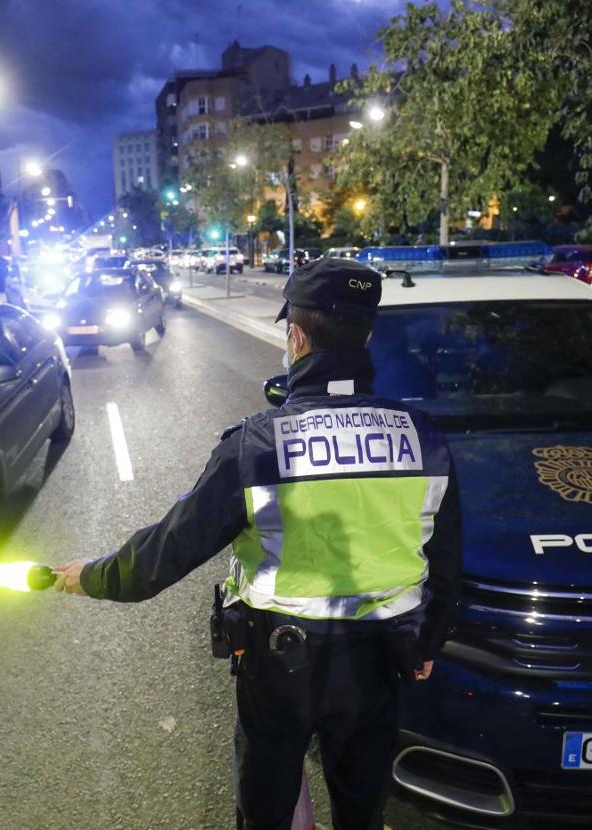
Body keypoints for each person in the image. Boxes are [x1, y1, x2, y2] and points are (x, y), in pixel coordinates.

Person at [53, 258, 463, 830]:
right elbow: (445, 564)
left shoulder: (257, 445)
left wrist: (89, 577)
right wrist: (427, 642)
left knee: (267, 806)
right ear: (366, 335)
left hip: (281, 668)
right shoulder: (423, 439)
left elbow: (166, 553)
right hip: (379, 661)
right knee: (362, 807)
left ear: (296, 335)